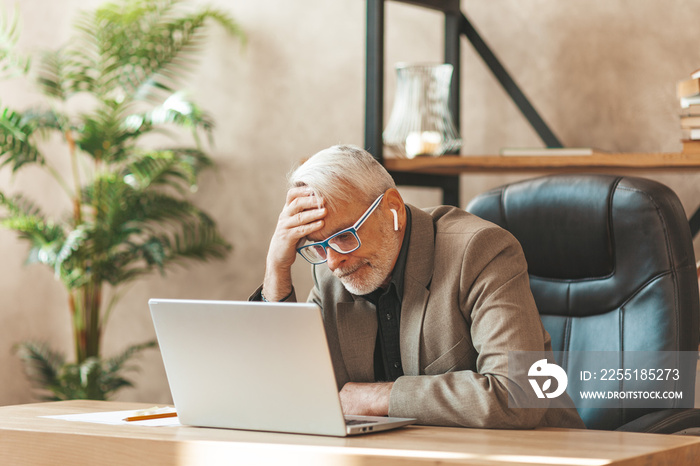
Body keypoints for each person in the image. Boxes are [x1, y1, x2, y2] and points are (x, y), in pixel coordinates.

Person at [252, 144, 585, 429]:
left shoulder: (480, 251)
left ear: (392, 208)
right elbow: (288, 394)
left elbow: (520, 393)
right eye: (317, 246)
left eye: (343, 237)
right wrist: (276, 270)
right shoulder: (330, 272)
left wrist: (376, 398)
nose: (333, 262)